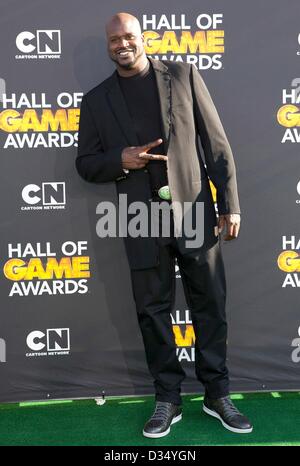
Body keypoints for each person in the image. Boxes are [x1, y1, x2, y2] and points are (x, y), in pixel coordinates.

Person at [76, 12, 253, 437]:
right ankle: (167, 398)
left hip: (194, 208)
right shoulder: (97, 100)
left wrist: (230, 204)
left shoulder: (183, 74)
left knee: (209, 303)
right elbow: (85, 163)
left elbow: (216, 143)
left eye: (129, 36)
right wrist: (120, 159)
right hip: (139, 217)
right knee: (152, 312)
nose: (123, 44)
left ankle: (217, 394)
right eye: (114, 39)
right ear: (108, 45)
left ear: (143, 38)